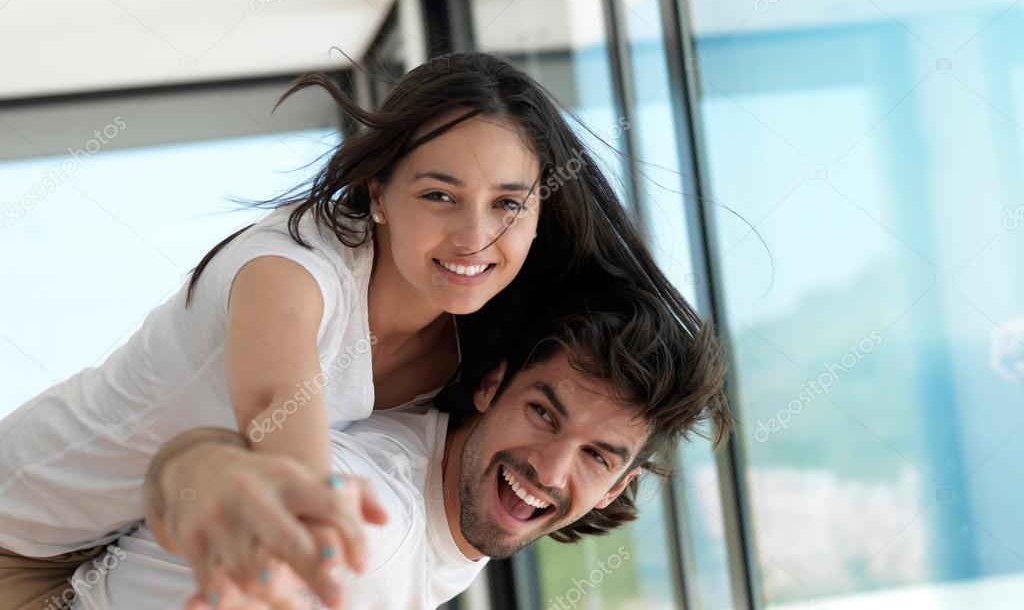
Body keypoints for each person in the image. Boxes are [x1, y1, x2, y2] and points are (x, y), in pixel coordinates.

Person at [0, 52, 708, 609]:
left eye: (507, 206)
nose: (473, 237)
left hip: (119, 551)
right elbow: (280, 412)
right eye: (440, 195)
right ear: (380, 191)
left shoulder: (474, 338)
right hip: (15, 535)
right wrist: (309, 535)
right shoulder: (290, 271)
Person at [68, 279, 732, 609]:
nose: (550, 468)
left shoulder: (438, 478)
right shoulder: (374, 522)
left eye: (597, 456)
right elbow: (246, 485)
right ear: (490, 384)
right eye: (542, 413)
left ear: (617, 488)